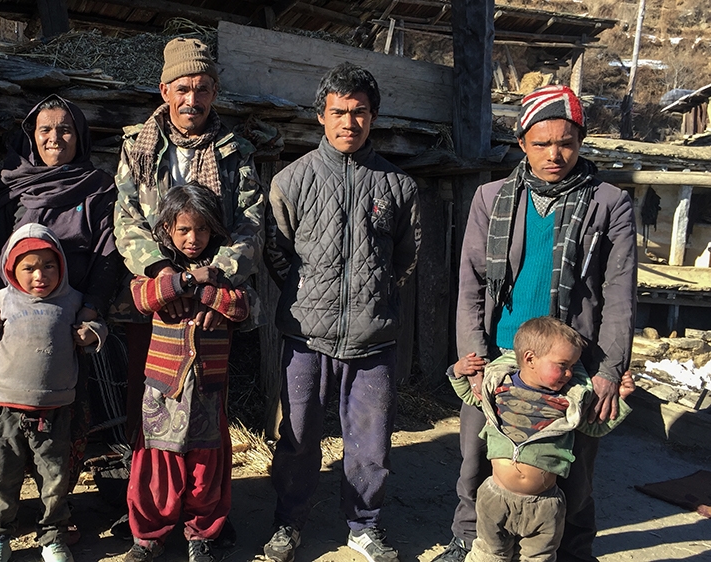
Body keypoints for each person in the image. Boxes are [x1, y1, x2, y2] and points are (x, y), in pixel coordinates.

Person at [434, 84, 637, 562]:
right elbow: (471, 285)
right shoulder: (491, 198)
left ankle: (572, 549)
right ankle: (469, 540)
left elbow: (619, 295)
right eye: (541, 143)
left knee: (572, 463)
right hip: (500, 357)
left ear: (581, 141)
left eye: (565, 142)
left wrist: (608, 371)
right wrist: (472, 355)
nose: (554, 154)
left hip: (570, 364)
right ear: (522, 143)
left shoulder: (609, 203)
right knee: (477, 458)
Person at [262, 61, 420, 562]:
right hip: (305, 336)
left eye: (360, 113)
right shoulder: (292, 180)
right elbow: (276, 251)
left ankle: (364, 526)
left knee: (371, 444)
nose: (349, 123)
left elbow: (406, 257)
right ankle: (289, 523)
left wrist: (375, 299)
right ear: (320, 117)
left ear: (374, 117)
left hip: (373, 340)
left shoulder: (399, 187)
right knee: (298, 437)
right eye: (339, 112)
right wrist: (307, 290)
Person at [112, 36, 263, 545]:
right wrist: (158, 272)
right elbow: (126, 217)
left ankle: (205, 522)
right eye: (182, 89)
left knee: (206, 421)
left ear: (214, 91)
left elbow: (248, 224)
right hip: (157, 297)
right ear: (164, 89)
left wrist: (214, 277)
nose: (191, 100)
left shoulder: (234, 150)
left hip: (213, 295)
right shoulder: (138, 146)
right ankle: (150, 522)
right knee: (152, 412)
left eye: (202, 89)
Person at [0, 94, 121, 553]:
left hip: (69, 323)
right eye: (45, 130)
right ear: (31, 136)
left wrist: (90, 312)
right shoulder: (13, 189)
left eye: (65, 129)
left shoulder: (97, 187)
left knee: (66, 418)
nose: (55, 138)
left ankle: (58, 513)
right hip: (12, 324)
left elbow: (108, 258)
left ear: (81, 136)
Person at [0, 223, 107, 562]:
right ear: (11, 269)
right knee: (1, 476)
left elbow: (99, 329)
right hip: (6, 409)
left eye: (49, 266)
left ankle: (52, 538)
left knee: (54, 478)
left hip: (54, 409)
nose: (39, 275)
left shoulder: (73, 302)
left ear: (62, 266)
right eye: (28, 268)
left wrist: (91, 334)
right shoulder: (0, 300)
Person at [122, 184, 250, 562]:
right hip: (163, 392)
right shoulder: (158, 275)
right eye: (183, 230)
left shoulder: (224, 277)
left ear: (214, 230)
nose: (193, 239)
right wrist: (187, 281)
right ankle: (148, 537)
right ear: (166, 230)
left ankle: (201, 536)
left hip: (208, 391)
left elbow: (240, 308)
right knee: (157, 469)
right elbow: (143, 298)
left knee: (203, 470)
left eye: (202, 230)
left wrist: (210, 294)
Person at [448, 317, 634, 562]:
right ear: (530, 359)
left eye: (574, 366)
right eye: (563, 365)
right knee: (488, 554)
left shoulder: (568, 402)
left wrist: (621, 399)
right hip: (495, 498)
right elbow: (472, 398)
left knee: (540, 557)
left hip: (544, 506)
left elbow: (593, 428)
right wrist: (457, 372)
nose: (569, 373)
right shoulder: (500, 387)